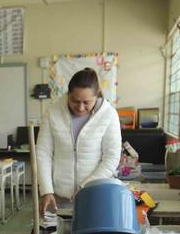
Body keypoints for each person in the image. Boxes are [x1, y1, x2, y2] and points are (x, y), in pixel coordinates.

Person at [35, 68, 122, 215]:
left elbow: (111, 157)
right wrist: (46, 190)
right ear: (68, 94)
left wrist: (85, 187)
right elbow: (43, 153)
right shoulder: (53, 112)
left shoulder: (109, 114)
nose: (81, 108)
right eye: (75, 101)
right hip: (58, 196)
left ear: (97, 95)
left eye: (87, 102)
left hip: (94, 194)